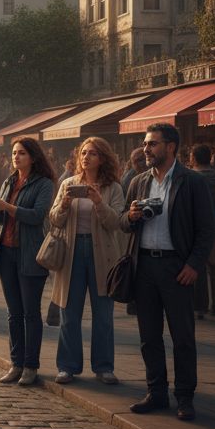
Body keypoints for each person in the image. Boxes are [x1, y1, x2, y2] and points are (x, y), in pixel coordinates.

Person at [121, 124, 215, 420]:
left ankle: (185, 397)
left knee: (183, 337)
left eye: (152, 144)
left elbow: (206, 230)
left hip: (177, 267)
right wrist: (131, 216)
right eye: (146, 144)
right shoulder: (138, 181)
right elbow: (123, 222)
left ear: (171, 147)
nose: (146, 149)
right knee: (149, 336)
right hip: (144, 265)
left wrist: (194, 265)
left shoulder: (192, 181)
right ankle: (156, 392)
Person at [49, 137, 126, 385]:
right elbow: (54, 219)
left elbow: (116, 223)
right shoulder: (68, 183)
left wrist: (98, 202)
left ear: (102, 158)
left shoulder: (113, 188)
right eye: (83, 152)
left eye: (92, 153)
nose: (86, 157)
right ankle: (67, 366)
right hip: (71, 252)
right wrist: (64, 203)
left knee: (103, 314)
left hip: (102, 254)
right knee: (69, 313)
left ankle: (104, 367)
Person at [0, 136, 55, 387]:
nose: (16, 156)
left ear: (33, 157)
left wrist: (7, 206)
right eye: (14, 152)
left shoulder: (44, 183)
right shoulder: (8, 181)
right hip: (6, 252)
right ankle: (15, 363)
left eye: (22, 153)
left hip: (30, 254)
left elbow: (37, 216)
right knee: (13, 313)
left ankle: (30, 366)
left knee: (30, 313)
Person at [189, 145, 215, 321]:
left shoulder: (192, 177)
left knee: (199, 266)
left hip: (196, 229)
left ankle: (200, 308)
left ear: (193, 159)